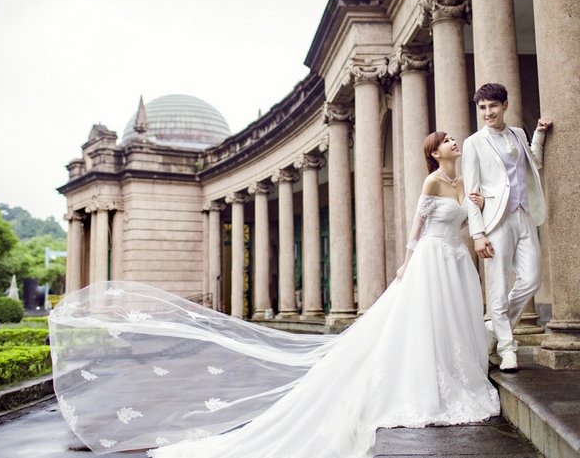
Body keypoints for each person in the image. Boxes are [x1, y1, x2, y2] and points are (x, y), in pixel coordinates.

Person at [49, 132, 499, 458]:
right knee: (422, 320)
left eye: (454, 140)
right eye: (447, 141)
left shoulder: (462, 184)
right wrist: (405, 262)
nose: (455, 143)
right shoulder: (430, 183)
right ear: (433, 152)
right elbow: (417, 228)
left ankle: (457, 372)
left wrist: (475, 211)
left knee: (451, 318)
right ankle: (429, 381)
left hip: (455, 259)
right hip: (429, 260)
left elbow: (461, 221)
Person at [462, 82, 553, 373]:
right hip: (496, 219)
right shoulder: (473, 142)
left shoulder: (518, 134)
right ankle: (506, 347)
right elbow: (470, 192)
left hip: (523, 214)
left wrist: (538, 134)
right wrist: (478, 234)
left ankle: (492, 328)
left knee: (531, 279)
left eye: (493, 106)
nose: (488, 112)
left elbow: (533, 161)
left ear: (505, 106)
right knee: (498, 285)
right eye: (482, 108)